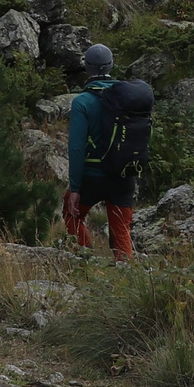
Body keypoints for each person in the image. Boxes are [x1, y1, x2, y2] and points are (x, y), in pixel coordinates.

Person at [63, 43, 152, 261]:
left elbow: (76, 147)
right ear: (111, 64)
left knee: (71, 214)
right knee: (121, 230)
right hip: (124, 175)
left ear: (87, 67)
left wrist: (75, 187)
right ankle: (125, 278)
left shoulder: (82, 102)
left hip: (92, 177)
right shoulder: (127, 98)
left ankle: (86, 260)